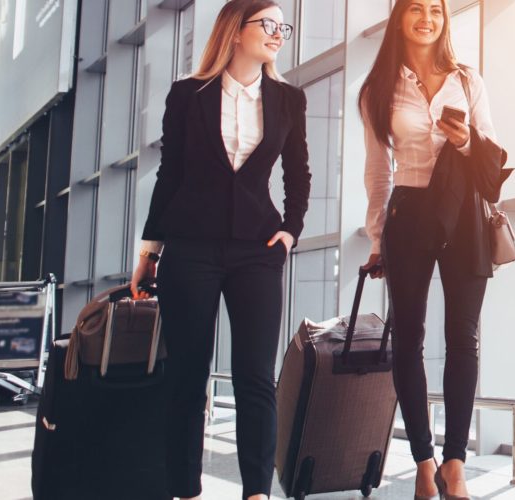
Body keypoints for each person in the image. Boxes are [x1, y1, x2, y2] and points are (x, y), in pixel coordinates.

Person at [130, 1, 310, 498]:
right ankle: (185, 489)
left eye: (283, 27)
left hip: (257, 249)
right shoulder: (189, 95)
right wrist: (150, 249)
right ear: (235, 31)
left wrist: (291, 231)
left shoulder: (289, 99)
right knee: (187, 376)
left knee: (255, 376)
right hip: (190, 249)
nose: (278, 34)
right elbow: (170, 175)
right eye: (267, 25)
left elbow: (298, 175)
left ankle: (256, 491)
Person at [360, 1, 508, 498]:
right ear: (400, 16)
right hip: (409, 214)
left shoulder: (467, 80)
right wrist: (377, 238)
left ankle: (455, 463)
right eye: (417, 8)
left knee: (463, 338)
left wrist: (464, 141)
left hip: (464, 212)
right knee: (408, 339)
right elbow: (378, 170)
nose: (428, 18)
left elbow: (492, 150)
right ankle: (424, 460)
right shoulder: (378, 88)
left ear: (446, 20)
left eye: (437, 10)